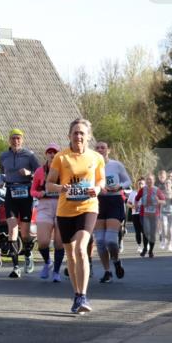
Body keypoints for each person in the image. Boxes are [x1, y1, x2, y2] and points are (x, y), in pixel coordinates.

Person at [46, 118, 105, 315]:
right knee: (70, 255)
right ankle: (76, 293)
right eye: (75, 133)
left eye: (82, 133)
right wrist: (61, 187)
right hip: (65, 211)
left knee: (81, 249)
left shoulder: (96, 157)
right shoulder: (61, 158)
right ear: (69, 136)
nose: (78, 136)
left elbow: (101, 180)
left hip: (88, 207)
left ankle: (83, 296)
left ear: (88, 136)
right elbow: (48, 184)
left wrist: (96, 189)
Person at [0, 129, 39, 277]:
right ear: (9, 140)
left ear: (22, 140)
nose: (16, 141)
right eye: (13, 138)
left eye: (18, 138)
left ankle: (28, 253)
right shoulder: (3, 156)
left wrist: (30, 174)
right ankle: (16, 267)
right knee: (12, 229)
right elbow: (3, 172)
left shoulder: (29, 155)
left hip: (26, 193)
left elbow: (40, 173)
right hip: (11, 192)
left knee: (25, 232)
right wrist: (1, 181)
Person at [93, 142, 132, 283]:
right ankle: (107, 271)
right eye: (97, 148)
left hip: (114, 201)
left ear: (108, 150)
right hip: (98, 202)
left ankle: (116, 261)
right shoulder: (91, 165)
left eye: (103, 147)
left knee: (110, 241)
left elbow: (128, 181)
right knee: (100, 242)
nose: (100, 150)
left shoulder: (116, 165)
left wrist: (119, 186)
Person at [31, 143, 66, 282]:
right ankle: (47, 262)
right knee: (43, 242)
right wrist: (41, 193)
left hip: (61, 206)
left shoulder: (64, 171)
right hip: (45, 206)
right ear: (46, 154)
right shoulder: (40, 171)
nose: (52, 155)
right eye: (49, 152)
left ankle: (57, 271)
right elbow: (32, 191)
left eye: (55, 152)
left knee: (59, 243)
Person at [136, 174, 164, 258]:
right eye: (147, 179)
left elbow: (163, 201)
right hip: (143, 214)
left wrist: (158, 200)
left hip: (154, 215)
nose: (149, 181)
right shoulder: (142, 190)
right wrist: (136, 205)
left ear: (154, 180)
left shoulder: (157, 190)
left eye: (150, 179)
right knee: (146, 232)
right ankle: (145, 248)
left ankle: (151, 251)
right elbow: (137, 199)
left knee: (152, 234)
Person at [159, 176, 172, 251]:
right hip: (163, 212)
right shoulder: (161, 192)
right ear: (164, 184)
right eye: (166, 183)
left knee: (170, 229)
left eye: (169, 183)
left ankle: (169, 245)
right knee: (164, 227)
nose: (167, 184)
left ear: (171, 184)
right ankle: (163, 240)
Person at [127, 178, 145, 249]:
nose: (140, 185)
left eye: (142, 183)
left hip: (144, 214)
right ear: (137, 184)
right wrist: (132, 206)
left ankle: (146, 245)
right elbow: (128, 203)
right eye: (139, 183)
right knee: (137, 231)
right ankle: (139, 245)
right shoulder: (133, 193)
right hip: (135, 214)